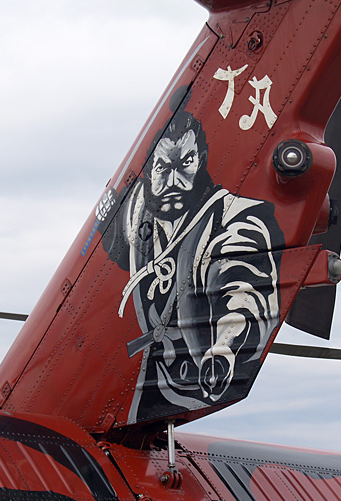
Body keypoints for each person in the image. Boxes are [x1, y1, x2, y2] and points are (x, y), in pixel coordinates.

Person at [102, 110, 284, 424]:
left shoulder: (232, 219)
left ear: (201, 160)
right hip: (137, 397)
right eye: (162, 168)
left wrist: (225, 348)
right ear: (149, 170)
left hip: (191, 391)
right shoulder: (137, 214)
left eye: (185, 164)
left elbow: (243, 287)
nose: (173, 181)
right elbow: (120, 252)